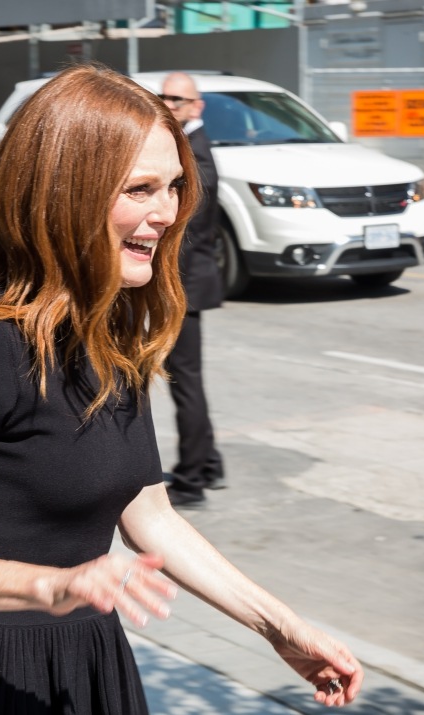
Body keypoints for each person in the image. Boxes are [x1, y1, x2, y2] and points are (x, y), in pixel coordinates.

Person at [0, 65, 362, 713]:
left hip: (89, 657)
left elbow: (150, 515)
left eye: (175, 187)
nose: (167, 212)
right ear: (62, 192)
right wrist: (52, 583)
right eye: (141, 188)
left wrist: (280, 627)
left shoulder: (109, 328)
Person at [159, 71, 226, 508]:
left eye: (177, 100)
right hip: (183, 285)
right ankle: (210, 462)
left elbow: (184, 236)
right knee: (187, 380)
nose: (168, 105)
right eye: (162, 97)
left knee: (185, 382)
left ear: (196, 107)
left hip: (182, 287)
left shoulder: (196, 161)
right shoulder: (186, 152)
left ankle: (191, 479)